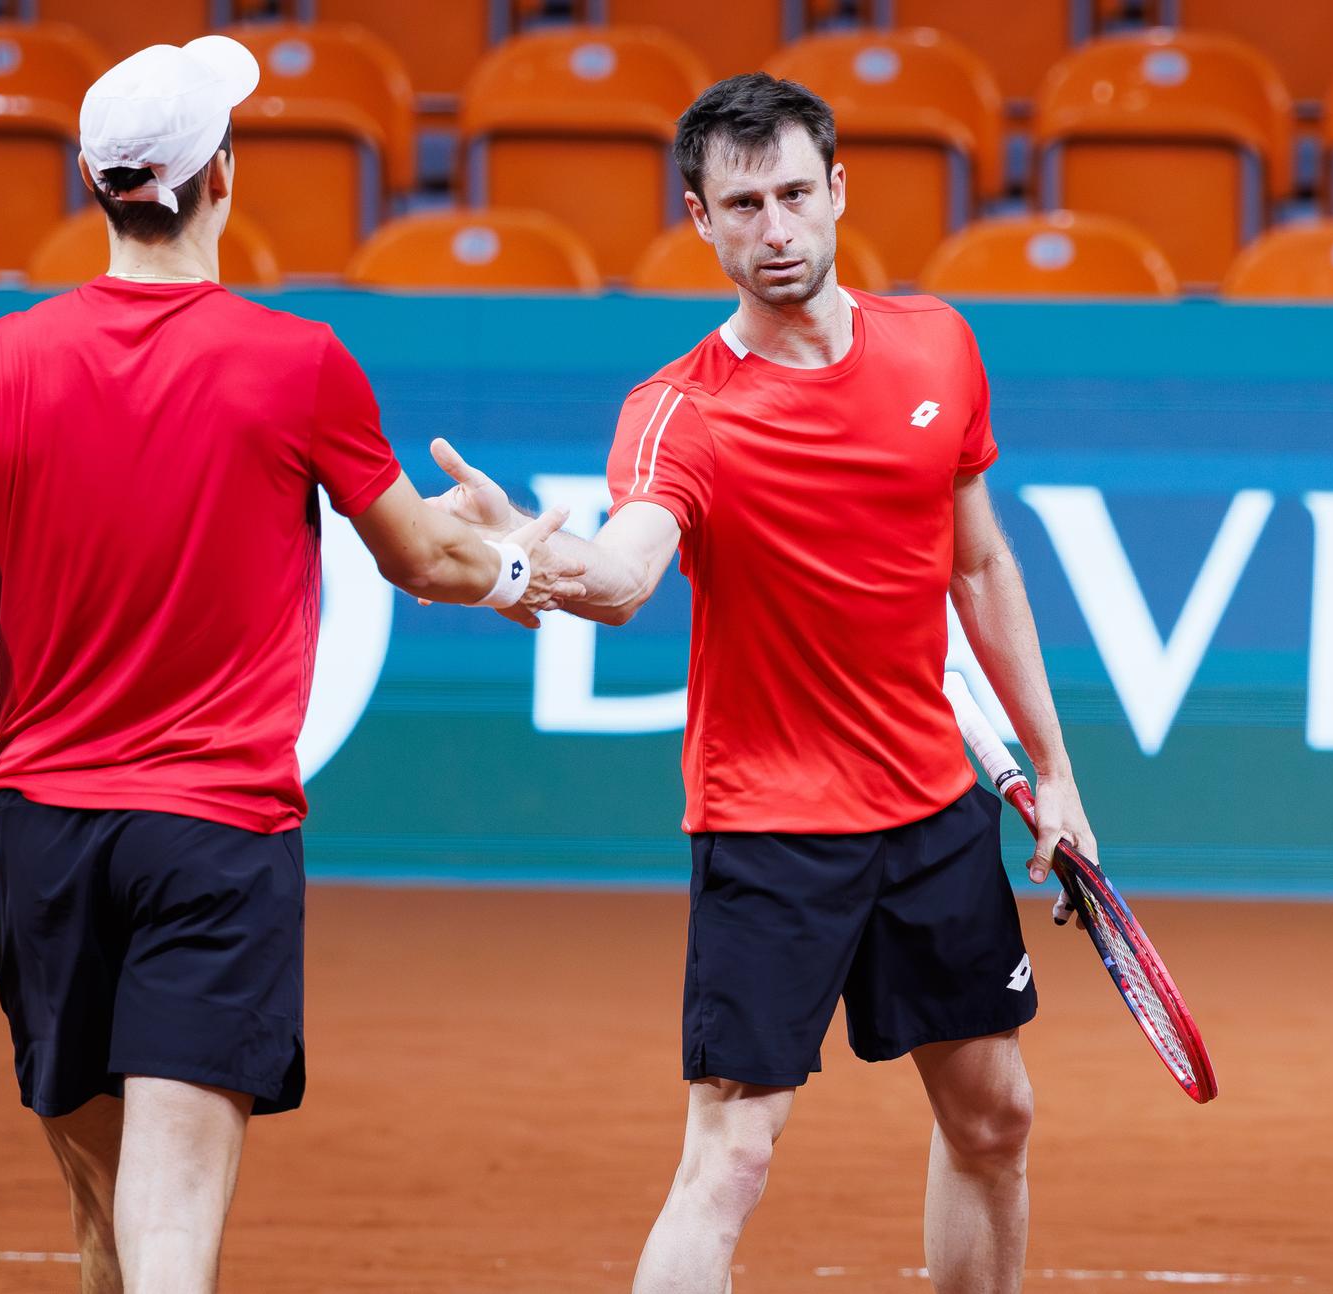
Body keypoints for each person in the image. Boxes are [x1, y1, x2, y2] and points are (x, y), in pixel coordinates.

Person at [0, 36, 580, 1294]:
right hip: (215, 841)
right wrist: (515, 565)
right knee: (165, 1236)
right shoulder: (298, 362)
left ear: (95, 186)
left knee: (104, 1225)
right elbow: (422, 559)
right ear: (223, 174)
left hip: (44, 847)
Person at [424, 74, 1098, 1293]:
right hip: (771, 825)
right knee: (730, 1157)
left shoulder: (938, 344)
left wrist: (1055, 771)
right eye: (744, 205)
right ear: (701, 218)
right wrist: (521, 557)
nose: (776, 229)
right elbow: (624, 575)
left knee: (996, 1117)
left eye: (794, 194)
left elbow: (980, 563)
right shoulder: (682, 412)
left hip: (931, 811)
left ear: (838, 189)